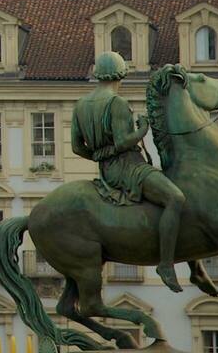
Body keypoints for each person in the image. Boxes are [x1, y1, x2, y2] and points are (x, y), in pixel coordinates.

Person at [71, 52, 189, 292]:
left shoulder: (81, 105)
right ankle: (166, 264)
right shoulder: (117, 103)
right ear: (120, 75)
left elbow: (75, 147)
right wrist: (143, 130)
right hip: (128, 168)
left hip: (106, 169)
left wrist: (98, 156)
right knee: (175, 198)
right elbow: (124, 141)